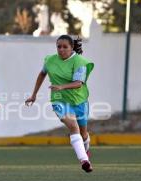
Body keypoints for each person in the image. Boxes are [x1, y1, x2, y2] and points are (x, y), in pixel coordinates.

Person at [25, 35, 94, 173]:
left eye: (65, 47)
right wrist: (34, 95)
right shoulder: (50, 60)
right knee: (73, 126)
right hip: (59, 99)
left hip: (79, 100)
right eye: (59, 47)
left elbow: (78, 83)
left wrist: (62, 86)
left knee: (83, 134)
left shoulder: (80, 62)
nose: (61, 49)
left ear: (72, 47)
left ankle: (85, 152)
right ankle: (84, 161)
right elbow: (42, 74)